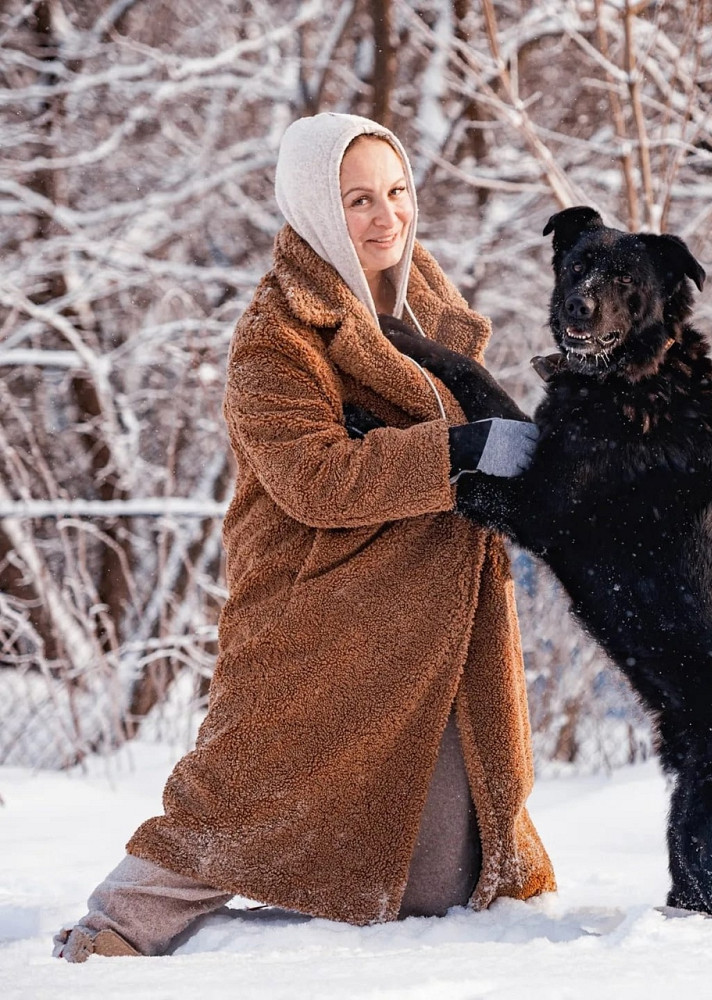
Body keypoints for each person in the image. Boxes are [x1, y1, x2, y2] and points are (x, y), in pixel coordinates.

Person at [54, 112, 556, 962]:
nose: (385, 216)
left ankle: (348, 905)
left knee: (441, 883)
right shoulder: (276, 336)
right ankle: (118, 926)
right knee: (245, 787)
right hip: (323, 607)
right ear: (316, 208)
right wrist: (459, 449)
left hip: (436, 617)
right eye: (357, 199)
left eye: (396, 192)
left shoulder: (427, 304)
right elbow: (315, 480)